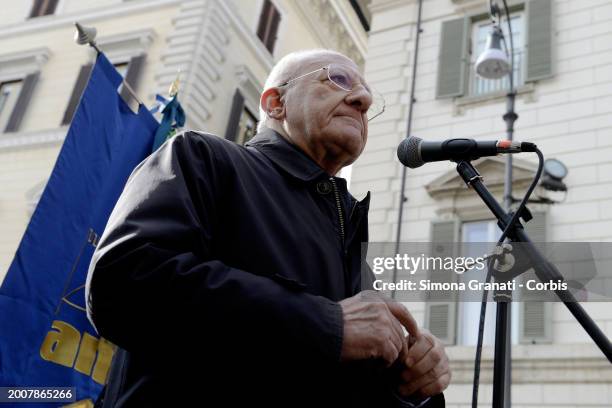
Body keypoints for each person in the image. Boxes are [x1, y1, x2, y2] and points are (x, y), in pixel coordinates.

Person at [86, 49, 450, 407]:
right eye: (337, 79)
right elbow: (123, 280)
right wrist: (325, 324)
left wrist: (410, 384)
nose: (363, 99)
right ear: (275, 104)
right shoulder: (203, 157)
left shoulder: (350, 234)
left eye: (369, 97)